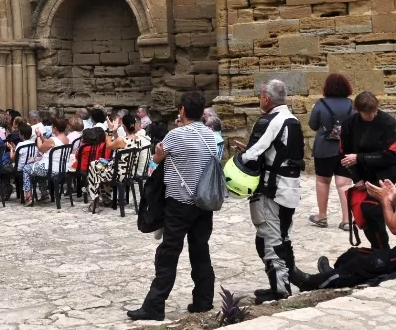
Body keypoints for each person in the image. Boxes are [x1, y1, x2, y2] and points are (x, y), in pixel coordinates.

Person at [291, 148, 396, 291]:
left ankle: (310, 283)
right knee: (354, 254)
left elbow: (394, 228)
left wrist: (384, 199)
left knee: (363, 265)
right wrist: (395, 200)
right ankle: (331, 275)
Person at [127, 92, 218, 321]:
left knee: (168, 254)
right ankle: (203, 300)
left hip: (179, 204)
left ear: (183, 111)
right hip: (203, 203)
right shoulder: (210, 135)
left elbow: (152, 165)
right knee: (200, 250)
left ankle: (155, 305)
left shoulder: (175, 136)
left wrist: (157, 157)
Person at [232, 79, 304, 304]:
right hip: (289, 189)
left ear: (266, 98)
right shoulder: (293, 120)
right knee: (280, 237)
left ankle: (281, 291)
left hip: (272, 190)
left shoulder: (268, 121)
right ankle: (281, 284)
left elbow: (251, 158)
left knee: (270, 240)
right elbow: (279, 152)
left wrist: (239, 160)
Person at [339, 91, 396, 250]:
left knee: (372, 209)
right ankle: (377, 248)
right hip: (362, 177)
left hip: (384, 175)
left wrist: (360, 158)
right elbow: (344, 155)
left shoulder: (388, 122)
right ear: (358, 110)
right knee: (362, 214)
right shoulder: (349, 124)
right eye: (368, 113)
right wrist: (356, 178)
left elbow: (391, 156)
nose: (373, 115)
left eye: (375, 111)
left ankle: (382, 249)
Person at [307, 74, 354, 230]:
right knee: (344, 184)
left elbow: (313, 125)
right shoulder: (351, 105)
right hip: (345, 149)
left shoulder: (321, 104)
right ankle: (347, 220)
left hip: (324, 148)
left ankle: (322, 216)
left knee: (322, 181)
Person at [87, 113, 151, 209]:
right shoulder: (138, 140)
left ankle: (96, 199)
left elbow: (109, 145)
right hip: (129, 173)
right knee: (97, 167)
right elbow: (119, 143)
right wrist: (115, 132)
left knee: (93, 167)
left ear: (124, 127)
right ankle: (105, 198)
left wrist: (110, 130)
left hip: (117, 174)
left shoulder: (122, 140)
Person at [22, 118, 70, 206]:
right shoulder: (66, 139)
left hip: (51, 169)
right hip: (61, 168)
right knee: (37, 168)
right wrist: (42, 136)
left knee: (26, 168)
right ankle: (44, 193)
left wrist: (38, 136)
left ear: (55, 128)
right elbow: (48, 143)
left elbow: (40, 147)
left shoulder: (53, 140)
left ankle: (28, 196)